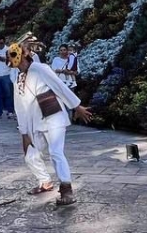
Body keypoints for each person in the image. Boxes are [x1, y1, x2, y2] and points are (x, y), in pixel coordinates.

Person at [9, 38, 92, 206]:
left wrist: (76, 106)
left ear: (25, 57)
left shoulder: (40, 68)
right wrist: (24, 132)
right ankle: (45, 182)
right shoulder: (18, 79)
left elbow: (59, 86)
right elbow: (20, 107)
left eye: (18, 62)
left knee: (55, 152)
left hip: (53, 115)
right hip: (35, 121)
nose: (17, 66)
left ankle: (66, 188)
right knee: (31, 154)